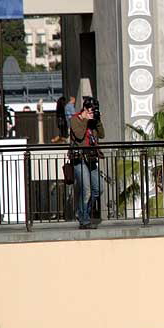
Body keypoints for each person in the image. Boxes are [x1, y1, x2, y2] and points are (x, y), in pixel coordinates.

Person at [70, 96, 105, 229]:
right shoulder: (75, 119)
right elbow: (79, 135)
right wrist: (85, 120)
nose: (92, 113)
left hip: (91, 157)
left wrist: (97, 121)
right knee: (87, 190)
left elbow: (101, 135)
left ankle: (81, 211)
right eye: (90, 111)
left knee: (98, 189)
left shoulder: (92, 121)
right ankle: (84, 219)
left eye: (94, 111)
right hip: (79, 159)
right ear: (84, 109)